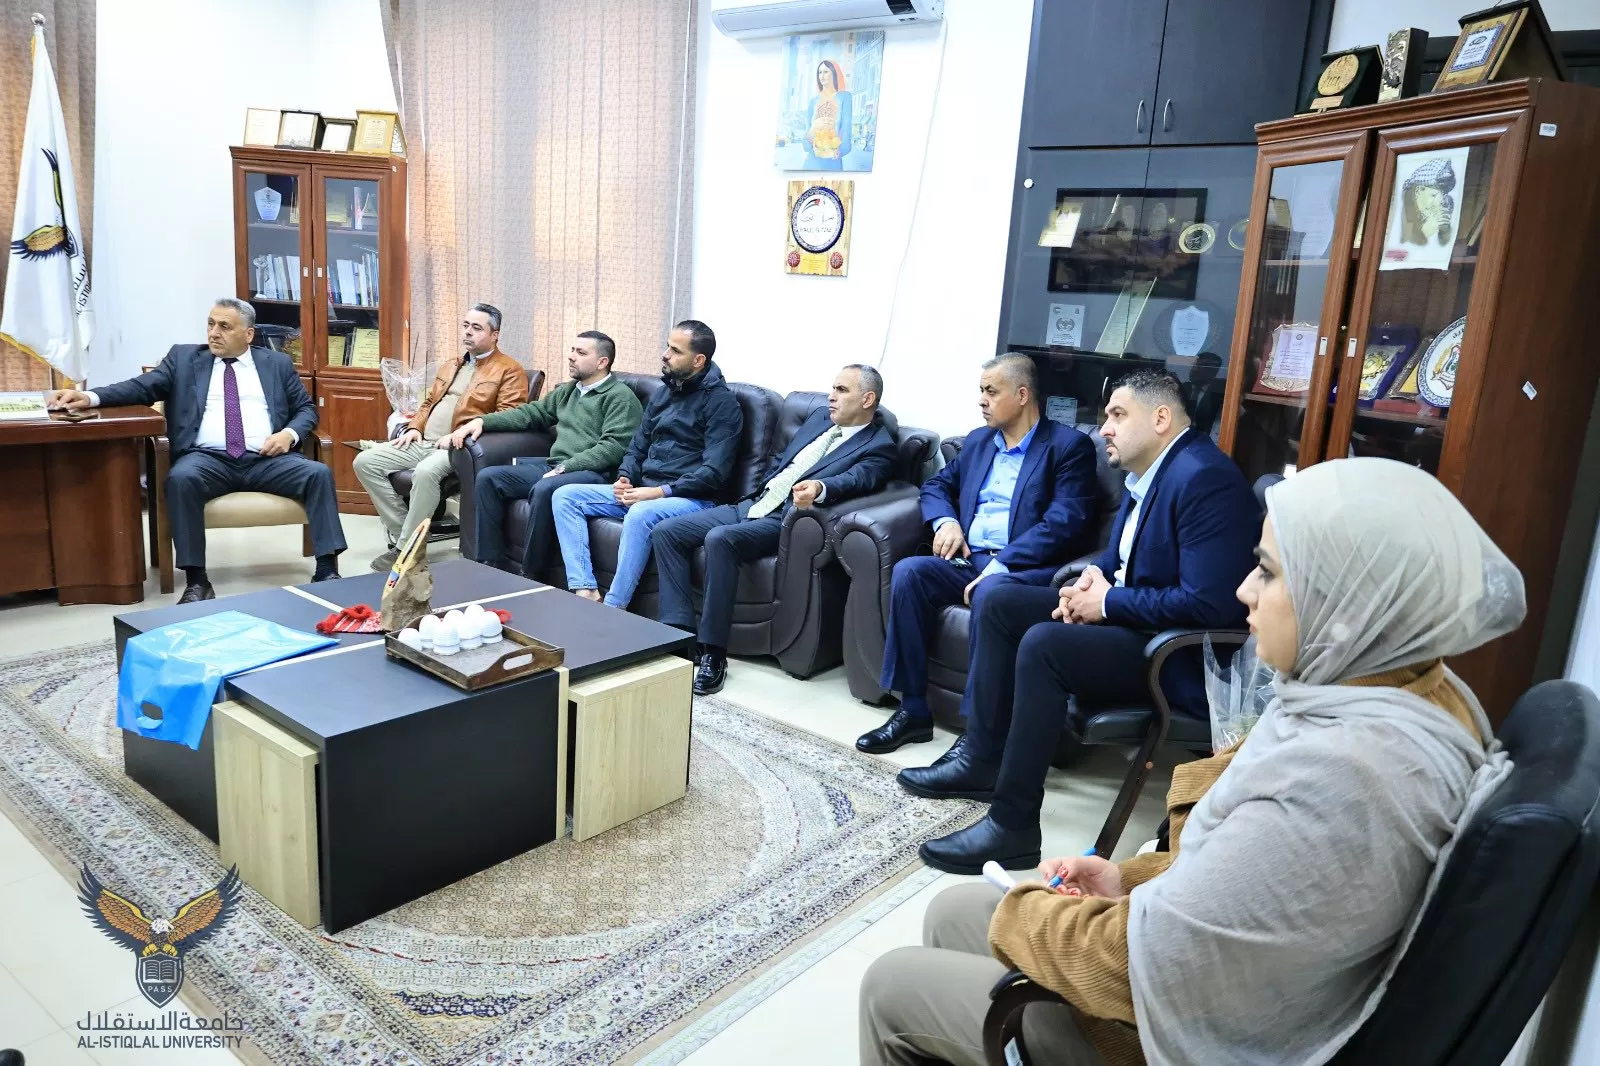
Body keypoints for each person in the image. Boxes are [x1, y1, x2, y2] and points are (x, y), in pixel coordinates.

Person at [859, 456, 1525, 1066]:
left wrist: (1029, 912)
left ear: (1345, 604)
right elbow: (1246, 888)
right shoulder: (1405, 689)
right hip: (1213, 981)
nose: (1245, 590)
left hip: (1168, 1034)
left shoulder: (1339, 778)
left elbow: (1136, 967)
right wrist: (1128, 879)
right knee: (953, 910)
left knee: (892, 984)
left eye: (1267, 571)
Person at [904, 369, 1258, 874]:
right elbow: (1120, 562)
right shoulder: (1147, 472)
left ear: (1161, 418)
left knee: (1045, 645)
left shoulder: (1204, 479)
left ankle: (1013, 825)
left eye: (1117, 415)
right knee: (1000, 601)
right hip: (1136, 626)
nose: (1104, 428)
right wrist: (1092, 583)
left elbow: (1210, 605)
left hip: (1177, 656)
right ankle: (982, 757)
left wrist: (1108, 604)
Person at [855, 354, 1098, 755]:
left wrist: (1002, 564)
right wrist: (945, 522)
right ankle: (912, 710)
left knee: (990, 592)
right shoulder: (980, 441)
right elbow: (937, 486)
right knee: (910, 573)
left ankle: (977, 731)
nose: (982, 400)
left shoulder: (1068, 447)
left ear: (1022, 395)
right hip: (970, 559)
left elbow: (1064, 522)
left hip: (1022, 568)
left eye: (991, 391)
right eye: (981, 391)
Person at [45, 298, 345, 603]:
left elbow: (306, 409)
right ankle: (197, 581)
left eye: (225, 326)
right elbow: (141, 387)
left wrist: (288, 434)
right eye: (211, 324)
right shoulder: (184, 359)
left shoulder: (276, 364)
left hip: (267, 459)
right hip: (206, 459)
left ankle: (326, 571)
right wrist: (90, 397)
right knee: (181, 479)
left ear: (248, 334)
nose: (214, 333)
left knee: (317, 473)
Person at [655, 364, 898, 696]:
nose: (831, 396)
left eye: (841, 390)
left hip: (785, 519)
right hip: (754, 504)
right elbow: (784, 460)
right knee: (667, 532)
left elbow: (859, 479)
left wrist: (821, 488)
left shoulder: (879, 446)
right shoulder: (819, 420)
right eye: (833, 388)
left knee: (720, 539)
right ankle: (680, 635)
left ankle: (714, 654)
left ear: (868, 399)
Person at [550, 320, 742, 608]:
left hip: (693, 499)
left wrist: (659, 492)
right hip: (645, 490)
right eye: (667, 346)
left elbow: (714, 473)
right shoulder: (665, 392)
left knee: (641, 513)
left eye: (675, 350)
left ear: (698, 360)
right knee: (565, 496)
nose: (665, 354)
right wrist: (625, 476)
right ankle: (585, 590)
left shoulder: (721, 403)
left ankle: (613, 607)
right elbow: (638, 445)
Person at [449, 330, 643, 576]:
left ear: (602, 362)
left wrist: (566, 468)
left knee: (545, 488)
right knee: (489, 478)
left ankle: (531, 574)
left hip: (595, 474)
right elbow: (531, 414)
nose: (571, 356)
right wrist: (482, 421)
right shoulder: (570, 391)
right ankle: (490, 566)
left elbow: (613, 448)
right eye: (572, 350)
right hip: (557, 467)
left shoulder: (620, 397)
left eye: (581, 352)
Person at [352, 303, 528, 570]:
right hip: (424, 441)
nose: (467, 332)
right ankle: (409, 538)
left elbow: (509, 416)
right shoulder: (451, 365)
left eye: (476, 328)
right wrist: (414, 428)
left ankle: (405, 550)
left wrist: (461, 435)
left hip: (460, 447)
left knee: (425, 472)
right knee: (365, 462)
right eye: (466, 325)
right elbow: (428, 403)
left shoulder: (509, 370)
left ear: (495, 335)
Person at [804, 59, 853, 170]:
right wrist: (814, 128)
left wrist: (839, 151)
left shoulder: (844, 97)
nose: (822, 76)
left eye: (826, 72)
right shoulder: (813, 101)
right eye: (820, 72)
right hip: (811, 163)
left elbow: (846, 133)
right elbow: (805, 144)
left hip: (833, 161)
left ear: (834, 73)